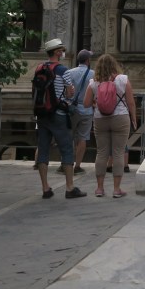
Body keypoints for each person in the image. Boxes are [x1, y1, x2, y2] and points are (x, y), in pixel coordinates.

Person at [35, 38, 86, 199]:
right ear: (57, 52)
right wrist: (69, 93)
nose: (63, 52)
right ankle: (70, 187)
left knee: (43, 149)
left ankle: (45, 188)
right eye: (62, 50)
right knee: (67, 150)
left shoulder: (39, 68)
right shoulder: (62, 70)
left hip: (42, 114)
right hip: (59, 114)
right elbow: (69, 93)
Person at [83, 53, 137, 198]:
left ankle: (99, 189)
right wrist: (134, 118)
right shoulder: (123, 79)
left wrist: (97, 103)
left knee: (101, 153)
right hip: (121, 118)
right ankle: (116, 189)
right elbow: (131, 102)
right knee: (118, 153)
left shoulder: (93, 82)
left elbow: (86, 103)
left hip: (100, 119)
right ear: (114, 65)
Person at [61, 49, 94, 175]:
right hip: (87, 109)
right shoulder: (93, 74)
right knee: (83, 138)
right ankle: (78, 165)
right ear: (87, 60)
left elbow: (65, 91)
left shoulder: (69, 72)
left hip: (72, 109)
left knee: (68, 136)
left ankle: (65, 163)